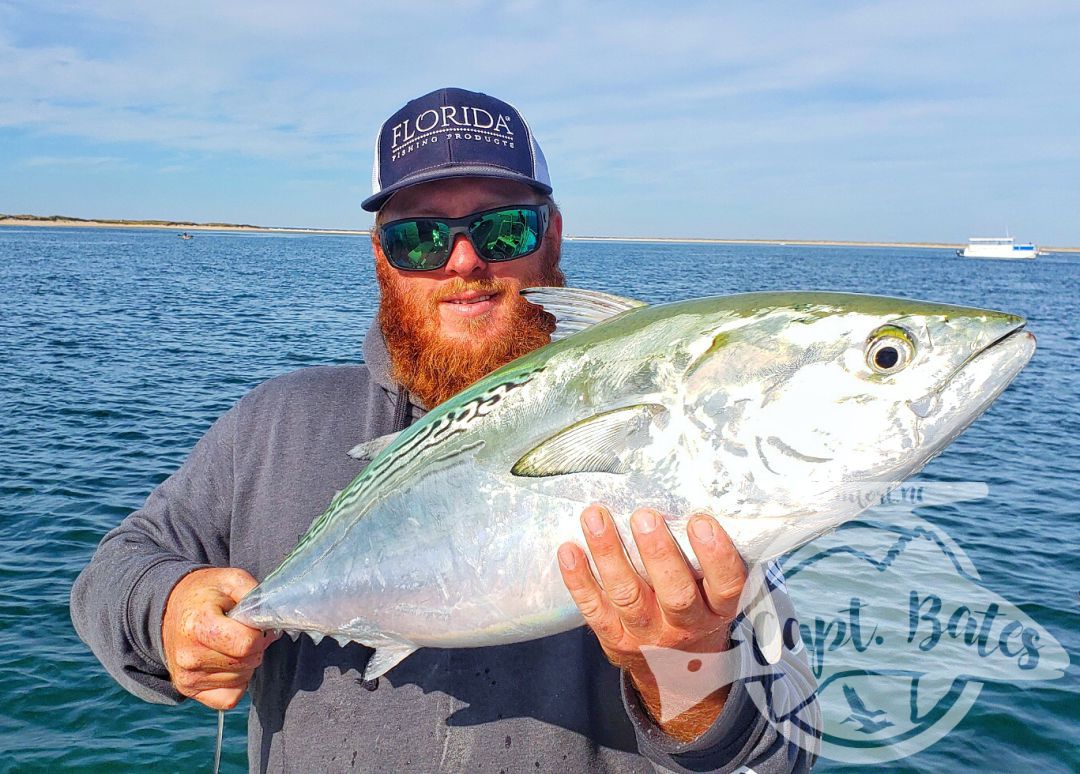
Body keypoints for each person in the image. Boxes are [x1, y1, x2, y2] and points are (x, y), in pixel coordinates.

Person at [72, 87, 817, 772]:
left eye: (502, 227)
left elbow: (786, 752)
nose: (465, 261)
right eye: (420, 239)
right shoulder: (276, 424)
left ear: (551, 238)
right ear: (380, 257)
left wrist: (687, 667)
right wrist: (167, 609)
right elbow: (116, 569)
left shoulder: (691, 455)